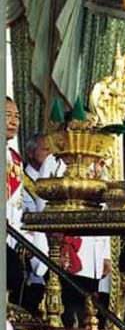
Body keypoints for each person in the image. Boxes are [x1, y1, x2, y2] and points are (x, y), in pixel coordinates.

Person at [39, 154, 111, 327]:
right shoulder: (56, 160)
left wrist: (105, 254)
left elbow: (106, 211)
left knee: (88, 315)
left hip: (93, 256)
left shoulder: (99, 164)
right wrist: (55, 245)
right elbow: (42, 208)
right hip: (65, 250)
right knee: (67, 314)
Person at [22, 134, 50, 315]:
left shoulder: (52, 180)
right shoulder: (20, 181)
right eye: (45, 150)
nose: (49, 155)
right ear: (31, 153)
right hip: (30, 247)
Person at [6, 97, 26, 304]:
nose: (14, 121)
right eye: (7, 115)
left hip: (11, 237)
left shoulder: (15, 159)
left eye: (17, 116)